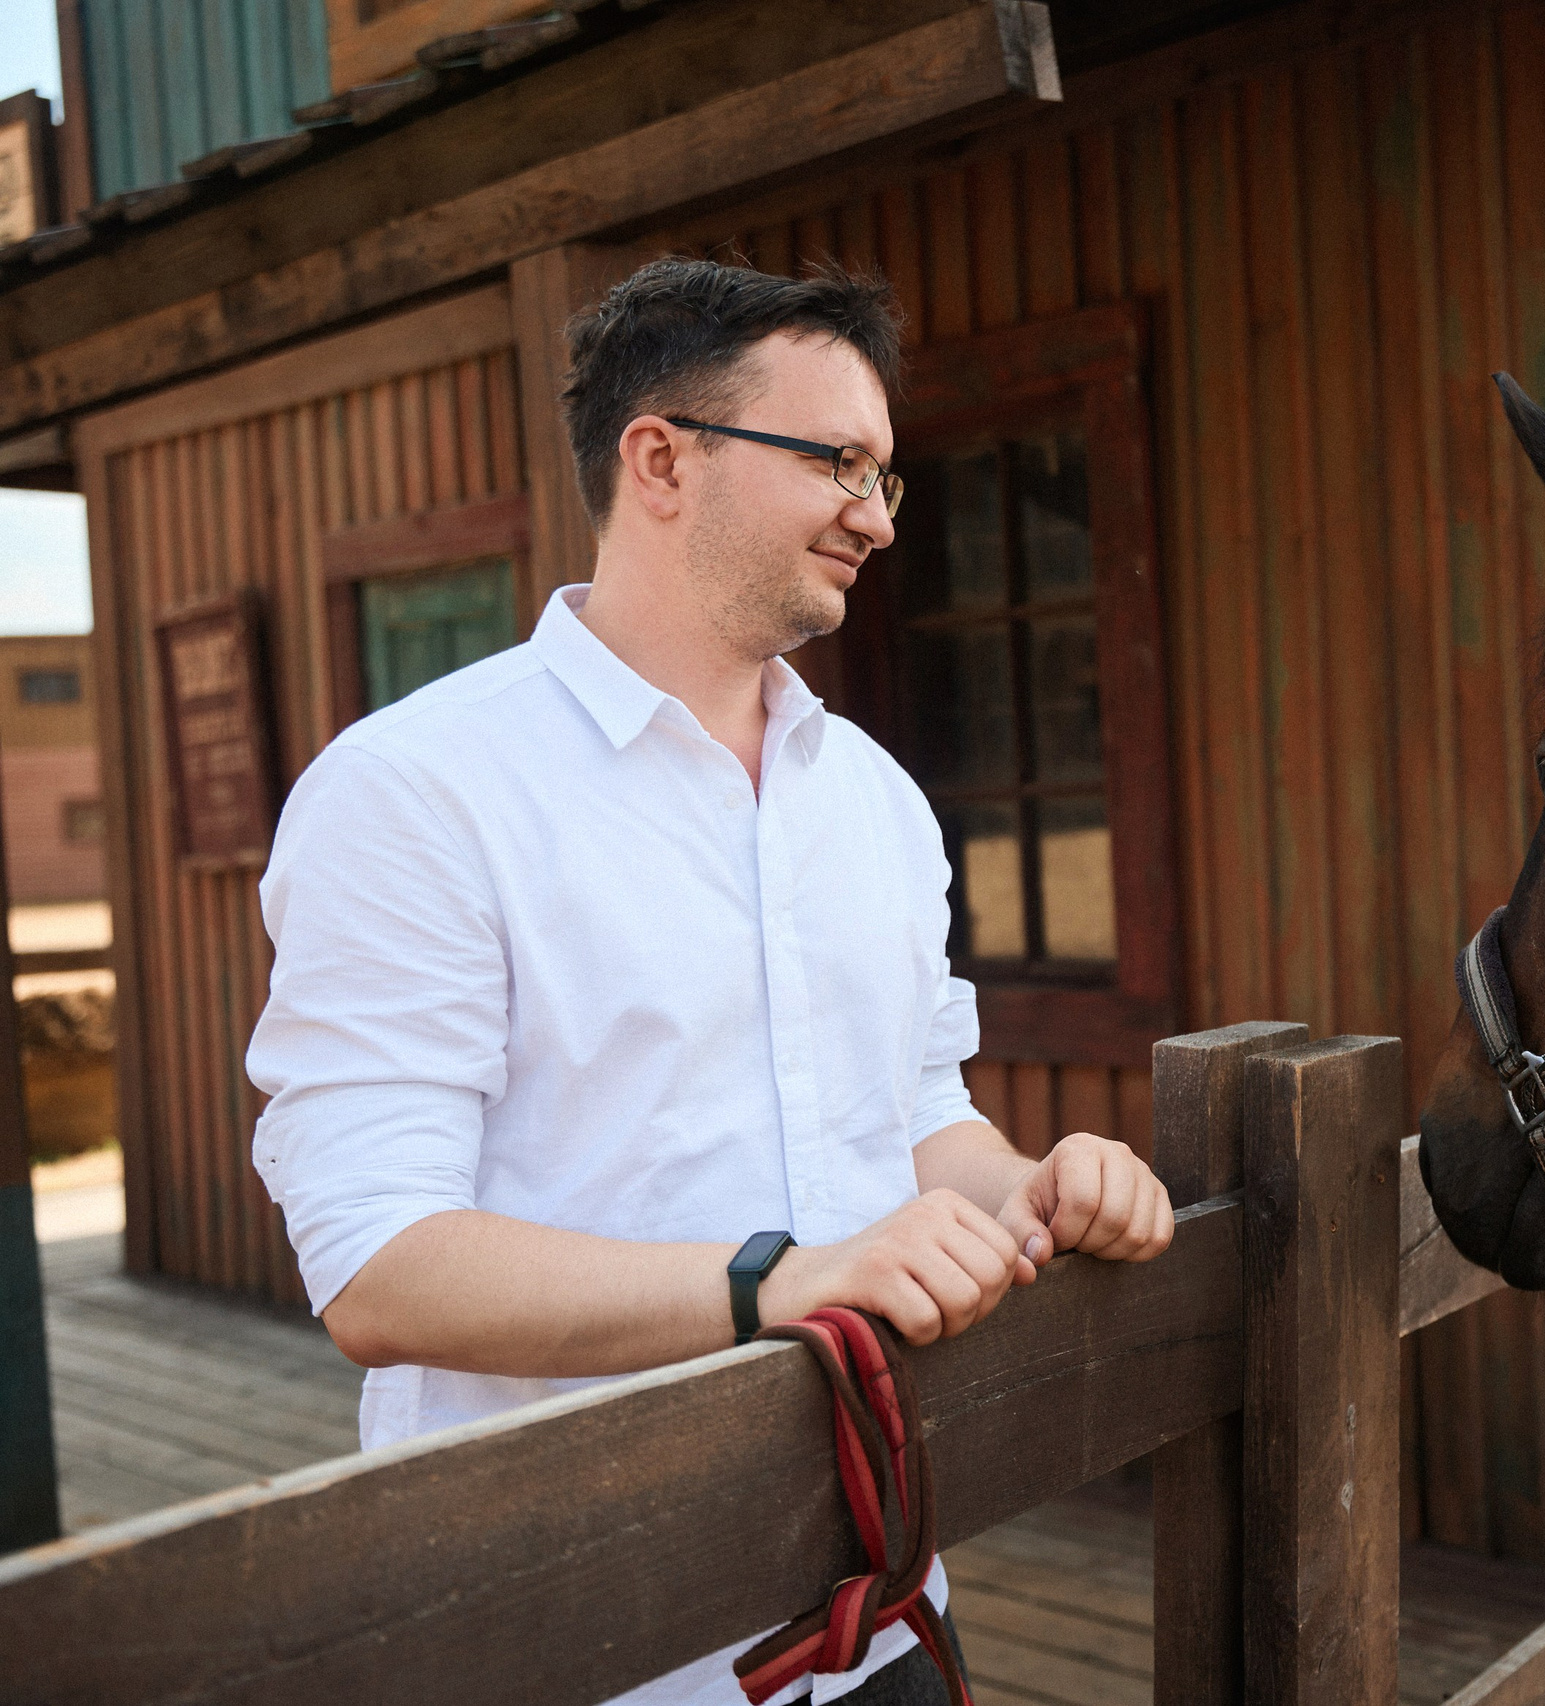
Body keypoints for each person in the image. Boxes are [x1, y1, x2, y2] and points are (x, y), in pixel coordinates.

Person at [247, 257, 1176, 1704]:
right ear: (663, 460)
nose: (878, 515)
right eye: (835, 462)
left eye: (884, 475)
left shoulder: (876, 799)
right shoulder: (412, 792)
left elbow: (912, 1114)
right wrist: (777, 1282)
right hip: (583, 1653)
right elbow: (378, 1264)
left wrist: (1033, 1188)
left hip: (886, 1613)